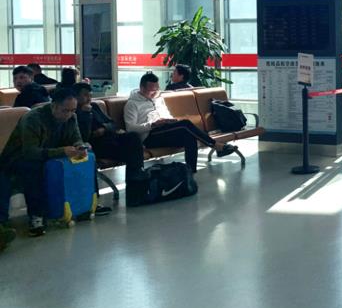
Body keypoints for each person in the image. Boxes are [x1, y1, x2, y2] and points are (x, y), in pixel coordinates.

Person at [0, 88, 88, 236]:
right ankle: (36, 216)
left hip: (47, 155)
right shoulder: (33, 119)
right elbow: (30, 152)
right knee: (34, 168)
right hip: (17, 159)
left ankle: (86, 203)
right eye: (65, 111)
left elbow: (76, 138)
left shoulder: (72, 118)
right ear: (54, 106)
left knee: (85, 157)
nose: (69, 115)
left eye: (73, 110)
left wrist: (80, 146)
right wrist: (62, 151)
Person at [124, 73, 237, 173]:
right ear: (142, 88)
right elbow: (130, 128)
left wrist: (169, 120)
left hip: (165, 130)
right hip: (149, 136)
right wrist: (152, 124)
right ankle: (215, 145)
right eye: (152, 91)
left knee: (189, 136)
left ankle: (190, 171)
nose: (155, 93)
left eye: (157, 89)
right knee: (185, 124)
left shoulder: (158, 98)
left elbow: (166, 113)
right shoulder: (132, 104)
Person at [75, 82, 151, 215]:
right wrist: (86, 115)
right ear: (76, 97)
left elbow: (112, 123)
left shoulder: (94, 107)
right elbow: (83, 136)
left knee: (133, 138)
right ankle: (95, 201)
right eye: (85, 95)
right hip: (94, 146)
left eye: (90, 95)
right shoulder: (74, 112)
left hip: (109, 140)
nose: (89, 99)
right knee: (132, 151)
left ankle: (136, 189)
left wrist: (104, 129)